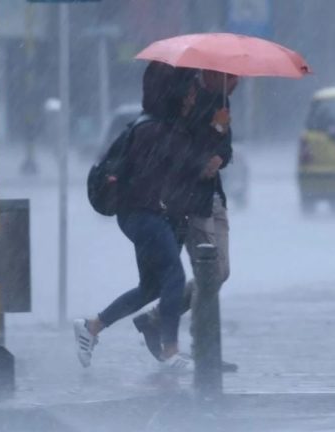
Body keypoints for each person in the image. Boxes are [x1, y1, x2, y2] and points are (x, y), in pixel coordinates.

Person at [72, 61, 231, 370]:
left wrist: (216, 134)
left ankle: (92, 326)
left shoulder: (162, 127)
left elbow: (185, 167)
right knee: (175, 277)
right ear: (174, 95)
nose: (191, 100)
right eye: (187, 95)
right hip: (142, 215)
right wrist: (215, 133)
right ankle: (171, 352)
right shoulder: (154, 130)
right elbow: (183, 169)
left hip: (144, 216)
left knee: (152, 287)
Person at [131, 70, 239, 369]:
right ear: (215, 76)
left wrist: (220, 152)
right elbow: (177, 150)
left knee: (220, 272)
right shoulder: (186, 104)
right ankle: (205, 350)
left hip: (215, 198)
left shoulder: (222, 103)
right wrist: (201, 161)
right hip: (193, 201)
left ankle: (153, 320)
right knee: (208, 275)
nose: (238, 82)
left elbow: (225, 148)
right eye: (232, 77)